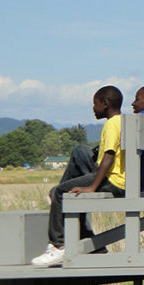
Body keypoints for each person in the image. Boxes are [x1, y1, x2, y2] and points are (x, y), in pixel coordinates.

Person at [32, 86, 126, 267]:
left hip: (113, 180)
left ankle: (58, 246)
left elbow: (109, 156)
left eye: (95, 104)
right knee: (79, 152)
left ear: (105, 104)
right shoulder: (124, 121)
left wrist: (91, 187)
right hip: (122, 178)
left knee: (60, 192)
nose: (93, 108)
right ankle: (93, 245)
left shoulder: (112, 124)